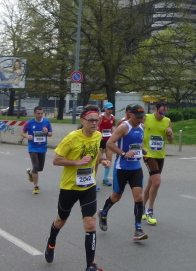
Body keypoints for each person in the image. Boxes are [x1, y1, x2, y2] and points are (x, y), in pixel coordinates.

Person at [43, 104, 108, 271]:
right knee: (61, 220)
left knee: (90, 224)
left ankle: (90, 265)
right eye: (91, 120)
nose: (95, 123)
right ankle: (51, 242)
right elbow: (56, 160)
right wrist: (77, 162)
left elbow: (96, 152)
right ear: (83, 120)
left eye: (97, 120)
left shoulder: (98, 135)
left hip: (88, 186)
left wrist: (102, 160)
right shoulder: (72, 138)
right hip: (70, 187)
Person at [98, 103, 148, 241]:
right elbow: (110, 143)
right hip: (122, 168)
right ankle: (103, 213)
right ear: (130, 114)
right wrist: (123, 153)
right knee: (116, 197)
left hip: (136, 167)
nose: (140, 119)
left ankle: (138, 229)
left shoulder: (142, 127)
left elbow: (137, 143)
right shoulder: (123, 127)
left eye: (142, 117)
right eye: (137, 117)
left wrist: (141, 150)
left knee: (139, 197)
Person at [141, 101, 173, 226]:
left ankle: (141, 207)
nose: (162, 115)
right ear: (155, 109)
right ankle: (150, 211)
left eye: (165, 113)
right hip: (148, 154)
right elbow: (135, 127)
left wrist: (170, 134)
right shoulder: (146, 118)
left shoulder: (167, 121)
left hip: (160, 155)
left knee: (151, 182)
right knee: (157, 182)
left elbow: (170, 140)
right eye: (160, 112)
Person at [22, 106, 53, 194]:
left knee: (40, 168)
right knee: (35, 166)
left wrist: (46, 132)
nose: (40, 115)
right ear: (34, 113)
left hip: (42, 147)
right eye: (38, 113)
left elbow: (51, 134)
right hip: (33, 147)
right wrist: (27, 136)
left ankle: (31, 173)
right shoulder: (29, 123)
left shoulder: (47, 122)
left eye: (41, 113)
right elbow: (22, 132)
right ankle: (36, 186)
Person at [98, 102, 116, 187]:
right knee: (98, 160)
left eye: (111, 109)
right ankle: (92, 179)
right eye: (108, 109)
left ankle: (105, 179)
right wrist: (99, 136)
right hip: (101, 140)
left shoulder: (113, 117)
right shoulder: (101, 117)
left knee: (109, 159)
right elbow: (97, 127)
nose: (110, 110)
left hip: (108, 140)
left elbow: (111, 127)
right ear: (105, 109)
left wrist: (113, 136)